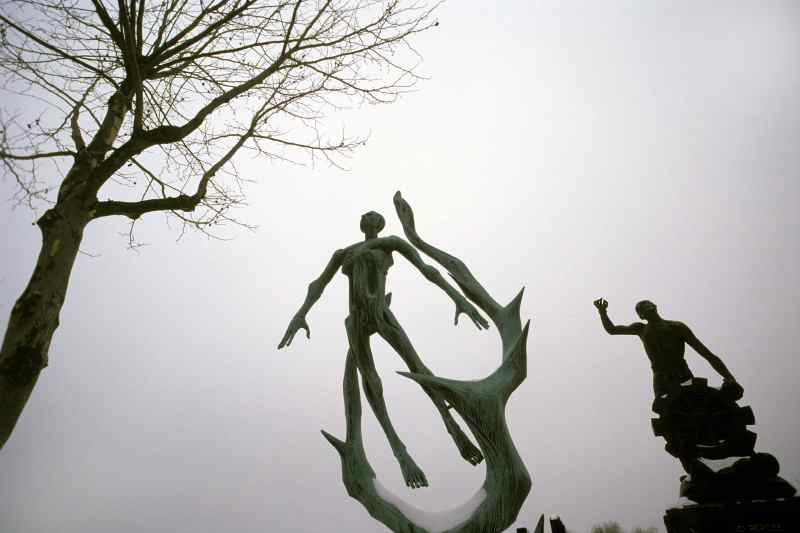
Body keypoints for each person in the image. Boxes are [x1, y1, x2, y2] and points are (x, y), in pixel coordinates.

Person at [279, 211, 488, 489]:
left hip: (381, 314)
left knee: (419, 369)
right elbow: (317, 286)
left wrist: (459, 299)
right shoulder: (343, 253)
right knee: (371, 381)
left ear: (379, 225)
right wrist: (300, 314)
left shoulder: (390, 242)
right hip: (356, 319)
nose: (369, 221)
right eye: (366, 219)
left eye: (374, 219)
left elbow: (427, 270)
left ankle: (453, 427)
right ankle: (401, 453)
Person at [592, 298, 738, 397]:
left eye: (646, 305)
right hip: (661, 376)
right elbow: (612, 330)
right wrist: (602, 312)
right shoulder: (640, 329)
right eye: (640, 309)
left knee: (693, 402)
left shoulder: (677, 327)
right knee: (666, 409)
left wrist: (730, 378)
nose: (643, 309)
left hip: (682, 373)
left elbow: (707, 354)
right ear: (641, 316)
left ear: (655, 306)